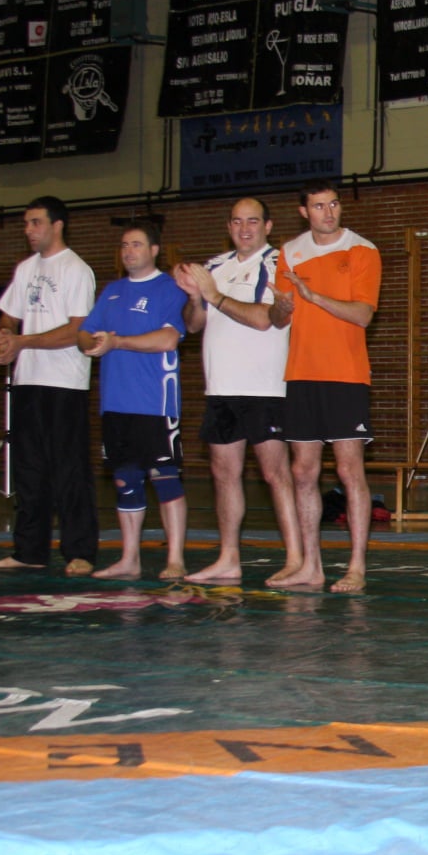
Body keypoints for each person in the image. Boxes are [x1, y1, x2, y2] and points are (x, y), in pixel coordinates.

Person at [173, 197, 303, 585]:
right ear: (228, 226)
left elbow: (267, 319)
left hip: (264, 386)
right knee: (223, 473)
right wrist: (196, 299)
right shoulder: (214, 267)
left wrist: (213, 296)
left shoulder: (278, 264)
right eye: (236, 222)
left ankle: (296, 557)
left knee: (275, 473)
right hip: (222, 387)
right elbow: (194, 326)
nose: (244, 228)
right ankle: (229, 557)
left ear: (267, 226)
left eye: (252, 221)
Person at [268, 181, 381, 593]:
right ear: (304, 212)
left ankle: (355, 567)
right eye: (319, 206)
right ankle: (311, 566)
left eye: (333, 204)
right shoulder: (289, 252)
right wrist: (280, 306)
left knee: (350, 470)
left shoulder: (362, 250)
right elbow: (281, 317)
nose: (329, 212)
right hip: (301, 373)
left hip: (345, 374)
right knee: (302, 472)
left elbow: (363, 314)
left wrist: (312, 296)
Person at [0, 196, 98, 576]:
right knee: (29, 468)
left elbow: (77, 330)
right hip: (27, 381)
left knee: (68, 468)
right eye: (26, 223)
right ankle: (29, 551)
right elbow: (8, 316)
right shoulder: (24, 269)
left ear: (57, 225)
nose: (28, 230)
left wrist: (22, 342)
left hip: (64, 383)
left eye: (35, 222)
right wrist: (3, 337)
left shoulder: (76, 270)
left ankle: (79, 551)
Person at [79, 222, 191, 580]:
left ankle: (175, 559)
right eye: (125, 245)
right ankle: (130, 558)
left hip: (154, 403)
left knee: (165, 477)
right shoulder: (111, 291)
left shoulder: (169, 288)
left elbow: (168, 340)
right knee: (125, 479)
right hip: (115, 402)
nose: (129, 251)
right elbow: (86, 330)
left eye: (137, 245)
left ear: (154, 249)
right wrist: (89, 342)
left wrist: (117, 342)